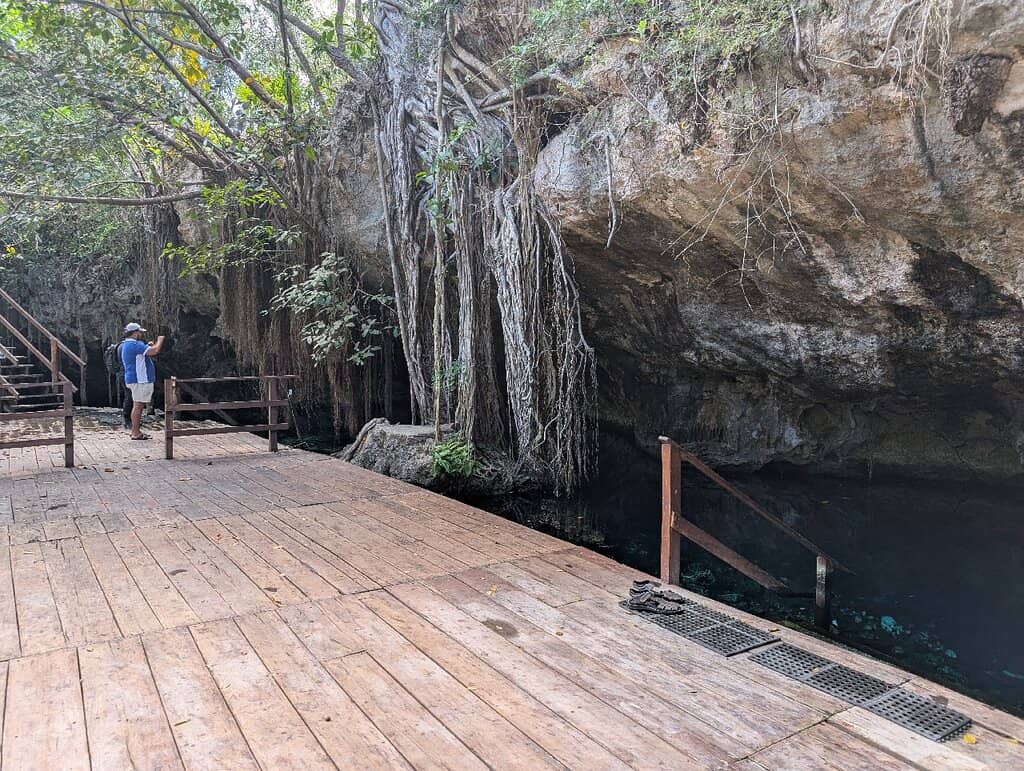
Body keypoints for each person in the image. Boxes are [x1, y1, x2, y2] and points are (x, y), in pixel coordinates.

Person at [119, 322, 165, 440]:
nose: (141, 334)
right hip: (140, 380)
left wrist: (148, 346)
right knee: (138, 406)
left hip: (136, 379)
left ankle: (136, 431)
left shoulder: (129, 344)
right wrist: (160, 340)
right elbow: (154, 351)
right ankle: (135, 433)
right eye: (139, 332)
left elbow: (144, 352)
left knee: (138, 405)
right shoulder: (133, 345)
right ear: (134, 333)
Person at [103, 337, 133, 429]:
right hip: (127, 374)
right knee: (130, 396)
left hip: (122, 373)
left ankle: (129, 419)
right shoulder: (126, 347)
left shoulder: (119, 346)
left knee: (129, 396)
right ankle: (128, 420)